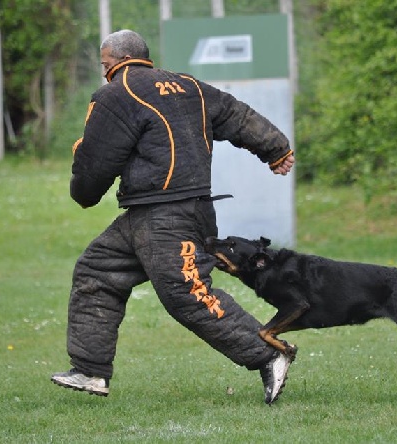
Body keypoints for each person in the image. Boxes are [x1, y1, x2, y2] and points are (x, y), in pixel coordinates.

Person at [51, 30, 296, 405]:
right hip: (155, 213)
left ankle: (268, 352)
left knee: (189, 293)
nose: (104, 72)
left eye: (104, 65)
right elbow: (235, 113)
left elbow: (96, 160)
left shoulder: (117, 94)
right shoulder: (189, 86)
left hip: (166, 216)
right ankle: (90, 369)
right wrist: (275, 148)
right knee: (97, 271)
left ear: (112, 62)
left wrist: (82, 193)